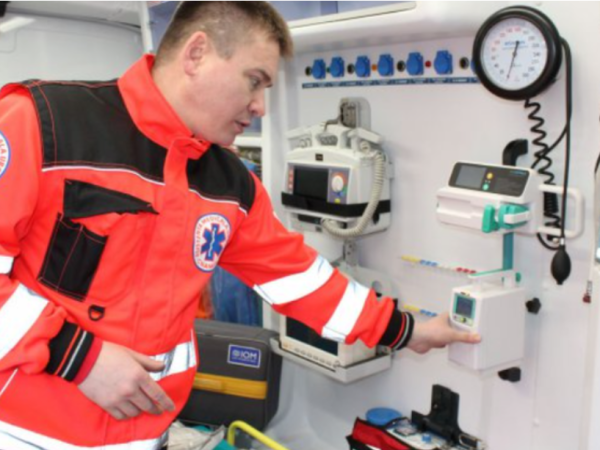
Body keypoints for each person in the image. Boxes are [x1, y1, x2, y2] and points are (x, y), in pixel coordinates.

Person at [0, 2, 480, 449]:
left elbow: (301, 280)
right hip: (21, 430)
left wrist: (407, 330)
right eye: (254, 81)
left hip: (140, 435)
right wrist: (78, 357)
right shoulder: (45, 125)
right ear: (197, 54)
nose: (260, 107)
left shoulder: (230, 185)